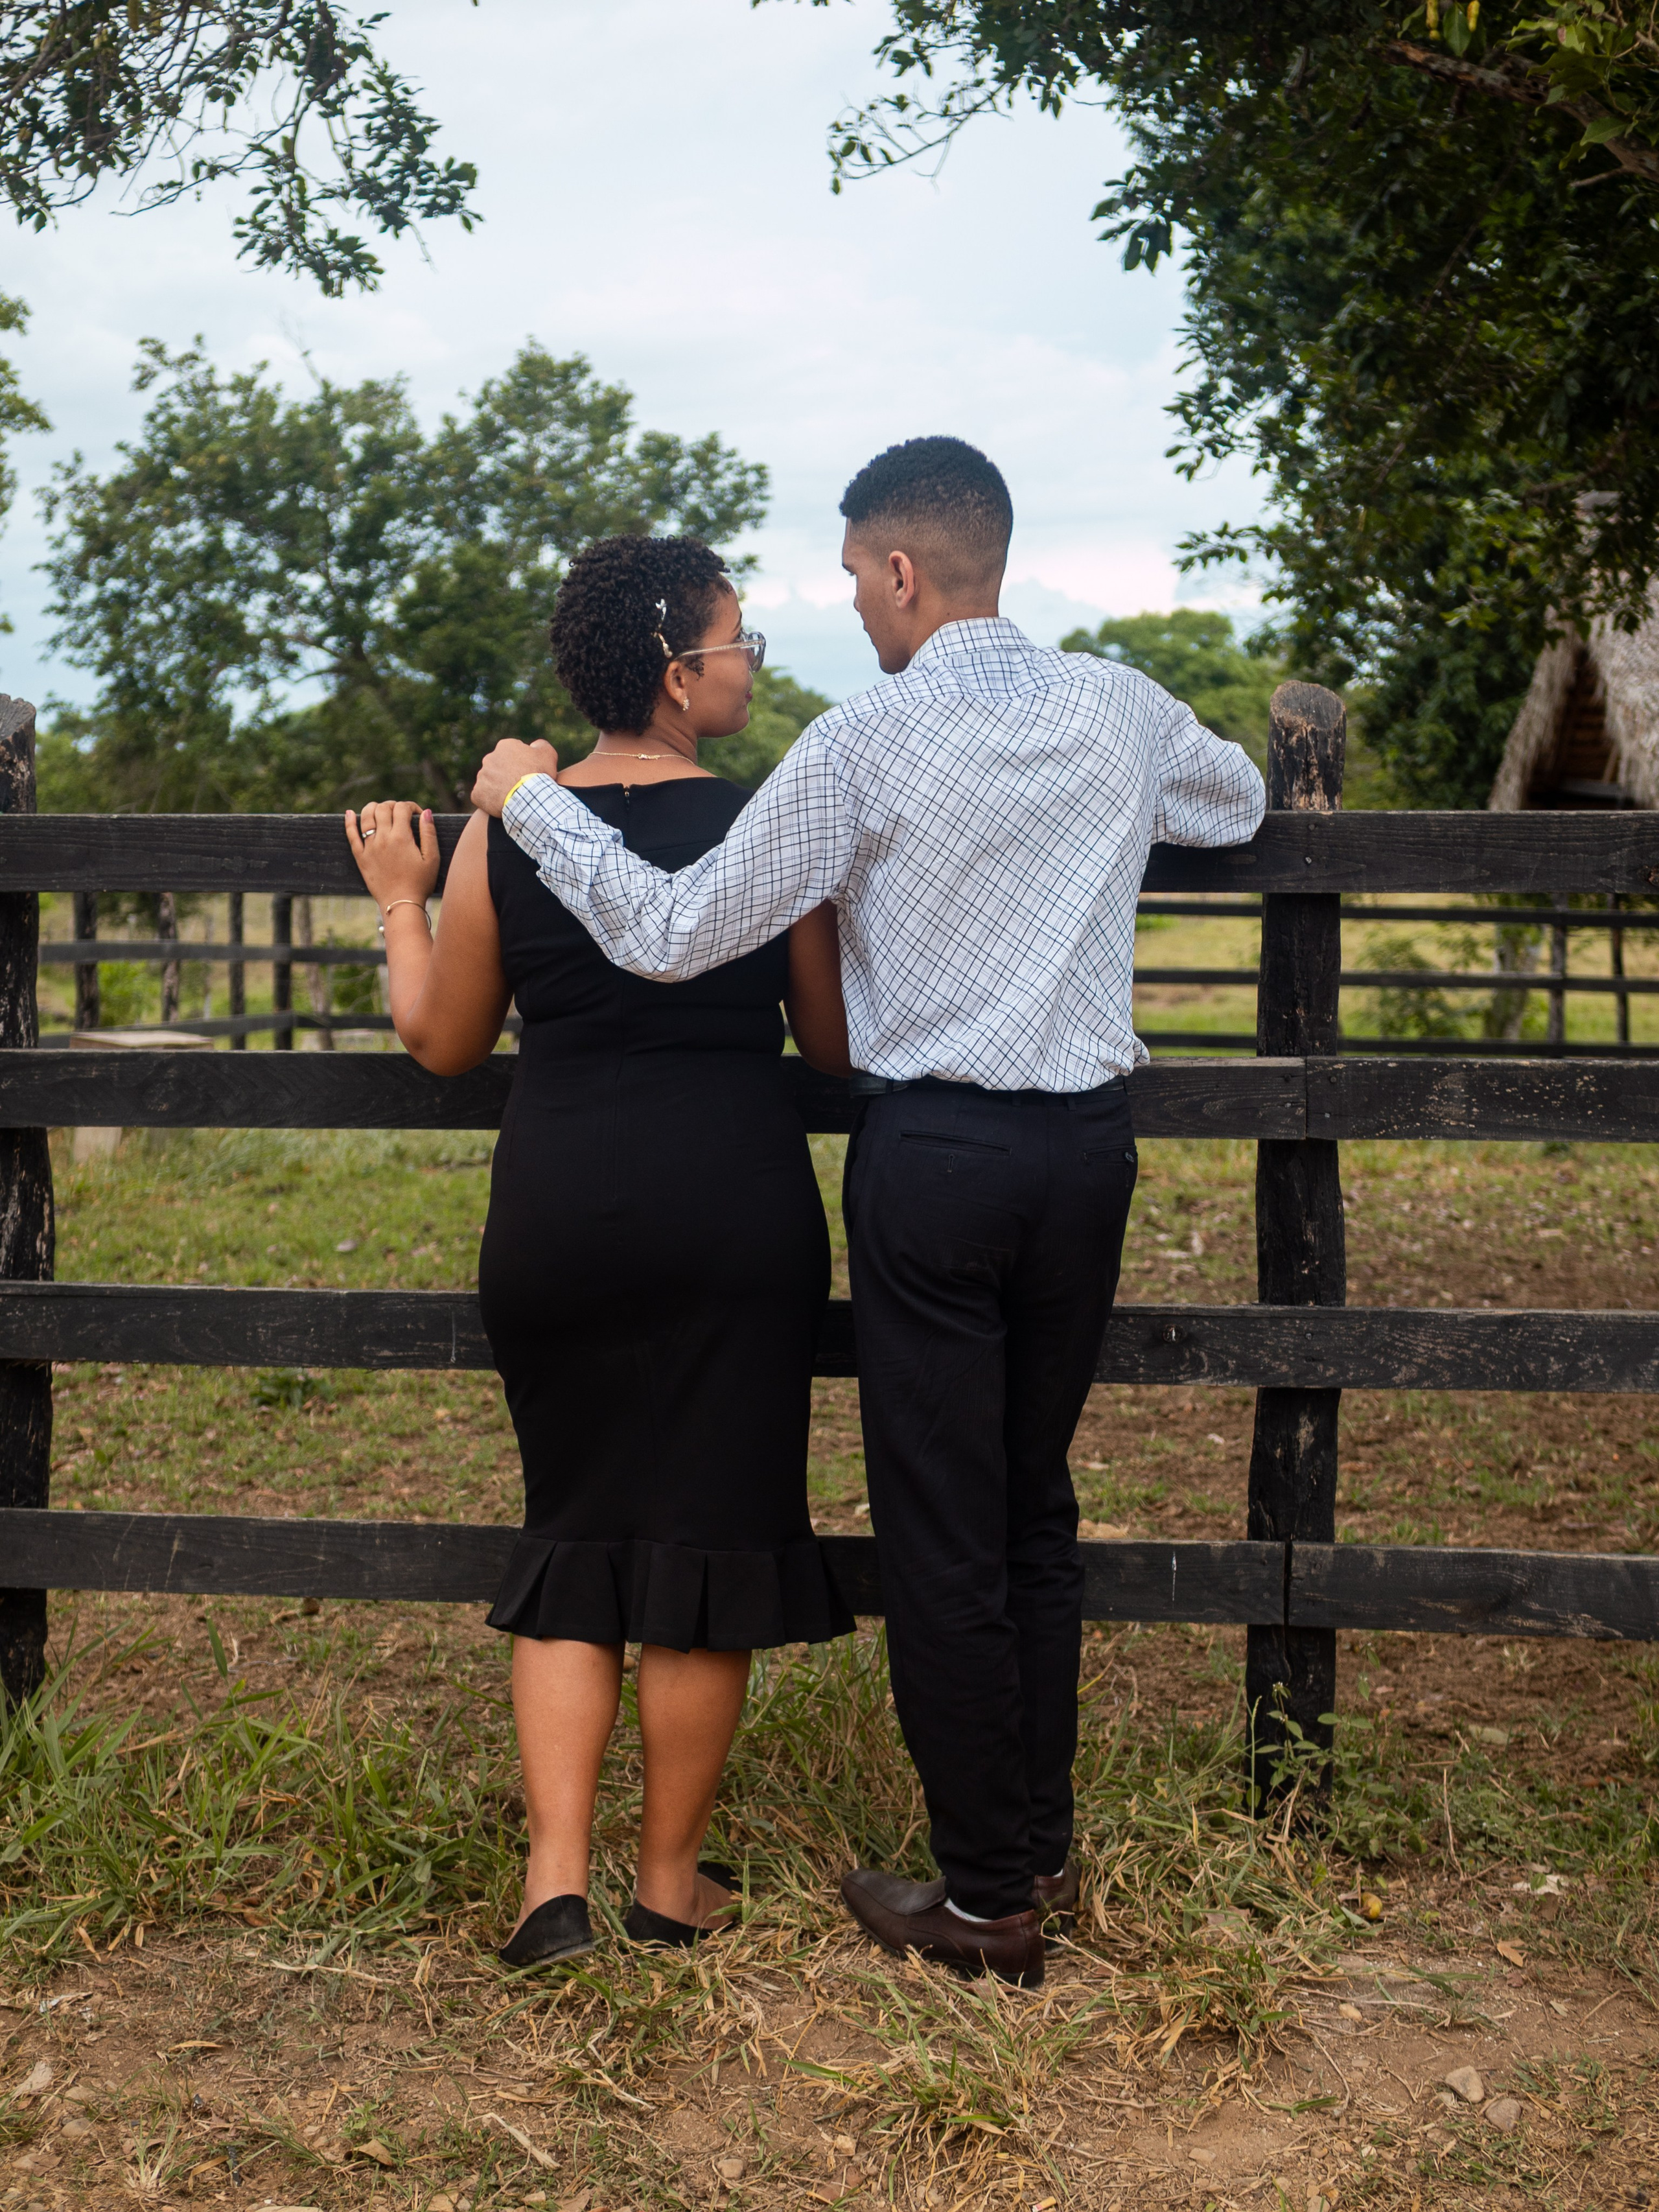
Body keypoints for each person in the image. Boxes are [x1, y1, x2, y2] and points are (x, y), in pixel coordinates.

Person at [468, 438, 1267, 1988]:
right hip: (1084, 1156)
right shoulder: (1112, 703)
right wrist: (1082, 835)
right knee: (1033, 1501)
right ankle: (1031, 1840)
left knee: (943, 1519)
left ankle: (985, 1899)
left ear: (902, 571)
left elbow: (675, 929)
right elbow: (1231, 808)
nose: (848, 611)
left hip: (938, 1156)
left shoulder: (864, 742)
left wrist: (530, 805)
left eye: (849, 580)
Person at [345, 533, 855, 1971]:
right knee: (706, 1534)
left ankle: (548, 1891)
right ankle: (667, 1883)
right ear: (680, 675)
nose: (750, 659)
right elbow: (825, 1042)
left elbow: (444, 1042)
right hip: (731, 1204)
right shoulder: (768, 825)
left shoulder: (514, 827)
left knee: (573, 1526)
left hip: (558, 1202)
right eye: (736, 637)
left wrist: (404, 896)